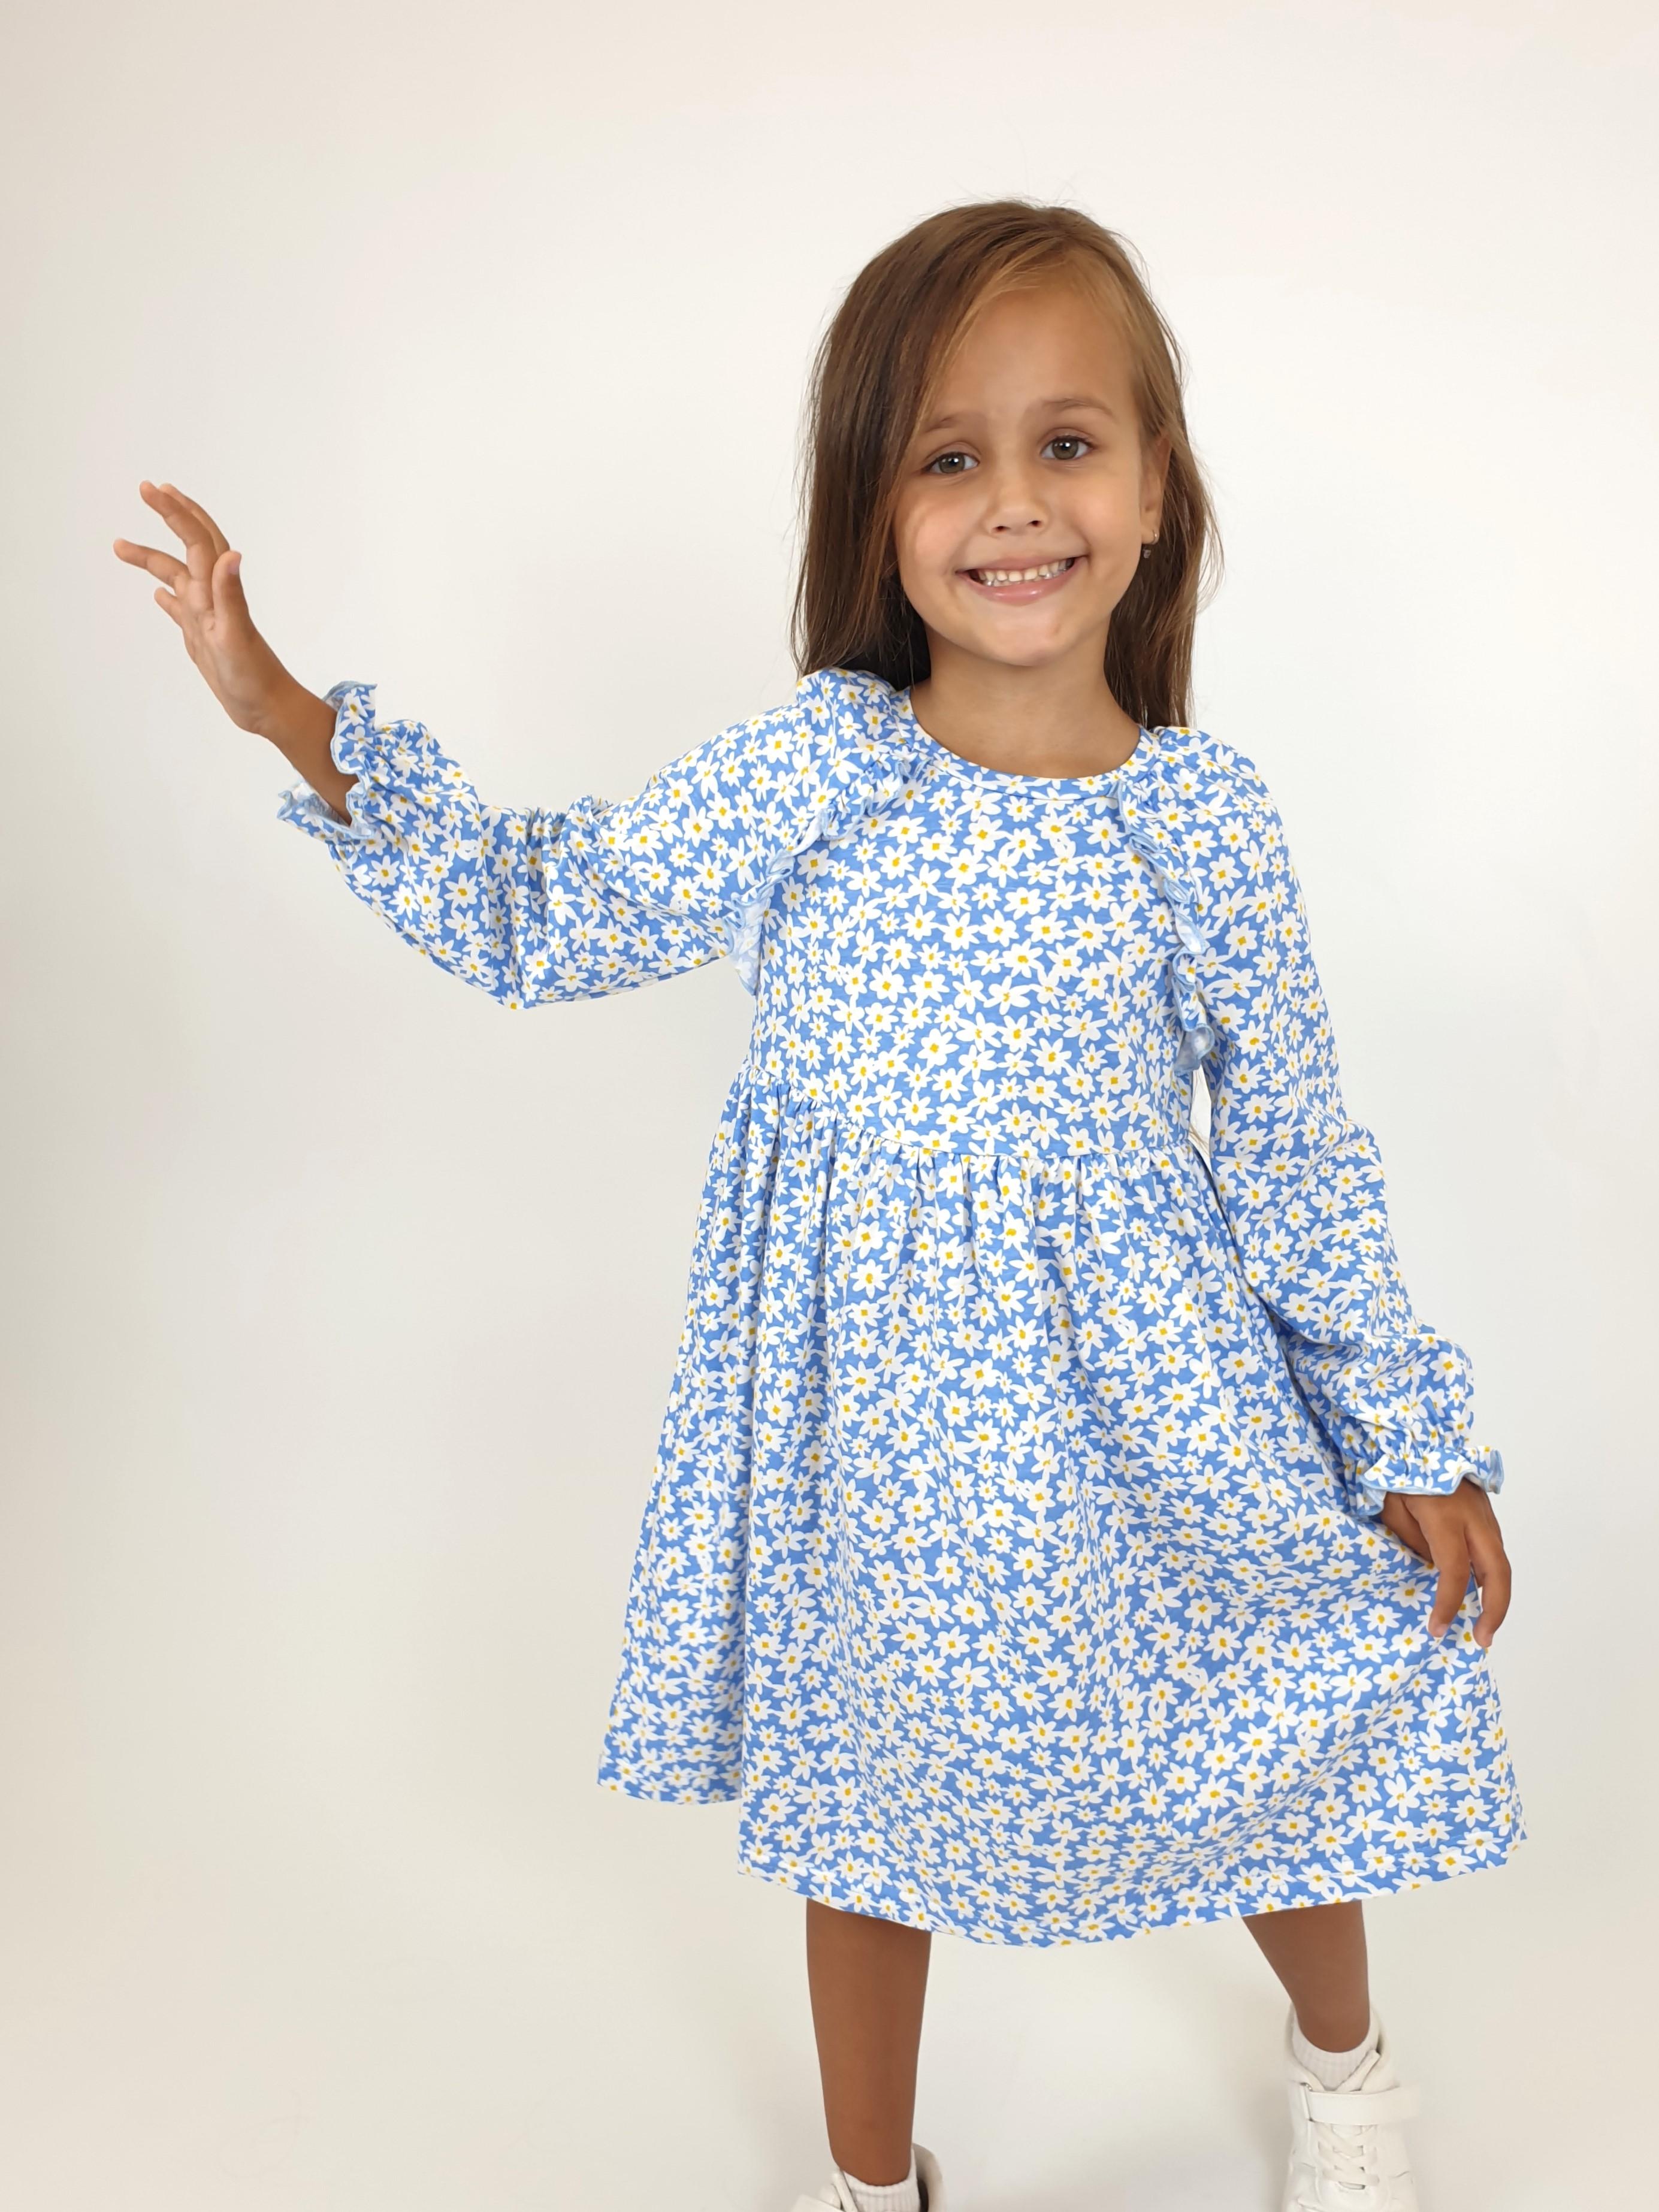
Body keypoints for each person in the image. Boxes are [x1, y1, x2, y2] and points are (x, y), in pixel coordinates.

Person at [114, 198, 1519, 2212]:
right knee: (862, 1804)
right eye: (947, 455)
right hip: (872, 1430)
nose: (1011, 501)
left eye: (1065, 443)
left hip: (1150, 1419)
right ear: (873, 512)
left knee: (1261, 1719)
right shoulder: (822, 765)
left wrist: (1406, 1432)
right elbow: (554, 908)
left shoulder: (1200, 819)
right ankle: (871, 2183)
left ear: (1151, 489)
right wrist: (285, 711)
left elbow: (1295, 1148)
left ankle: (1346, 2072)